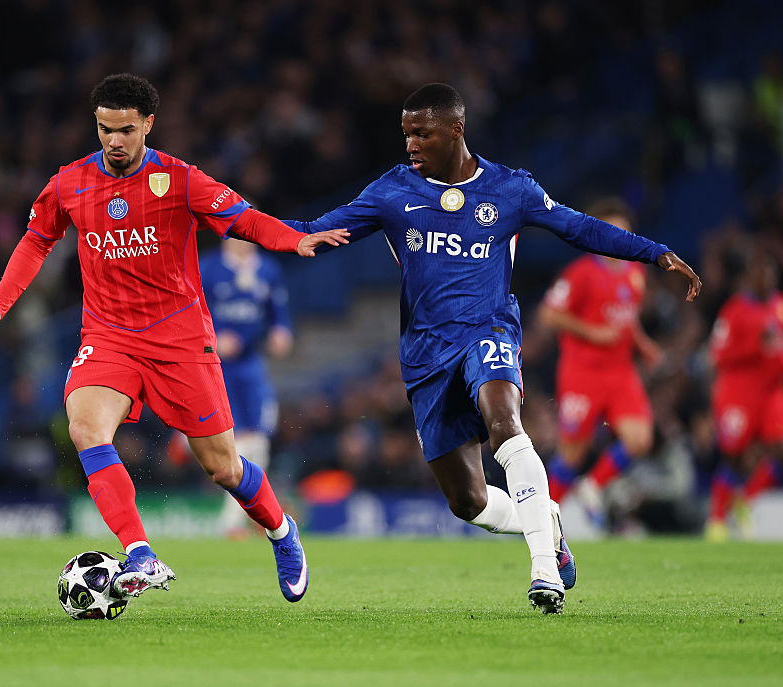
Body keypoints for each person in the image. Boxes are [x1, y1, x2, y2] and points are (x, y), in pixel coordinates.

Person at [285, 83, 701, 614]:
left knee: (506, 423)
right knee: (468, 501)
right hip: (425, 354)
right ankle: (546, 519)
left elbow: (578, 227)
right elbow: (316, 232)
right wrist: (244, 225)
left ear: (456, 129)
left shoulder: (510, 189)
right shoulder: (392, 192)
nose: (411, 143)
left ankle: (544, 571)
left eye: (423, 133)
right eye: (406, 133)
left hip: (489, 330)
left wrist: (656, 253)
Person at [0, 73, 349, 603]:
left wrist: (296, 239)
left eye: (124, 129)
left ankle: (282, 532)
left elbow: (243, 220)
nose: (113, 141)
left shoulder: (181, 180)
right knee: (85, 428)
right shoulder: (69, 184)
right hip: (109, 337)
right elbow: (35, 241)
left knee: (223, 467)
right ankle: (140, 553)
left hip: (181, 341)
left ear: (148, 123)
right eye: (103, 129)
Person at [537, 198, 663, 530]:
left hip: (621, 372)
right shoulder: (580, 274)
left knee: (640, 439)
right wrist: (591, 331)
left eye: (626, 233)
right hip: (583, 373)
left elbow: (627, 318)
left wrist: (643, 344)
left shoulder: (634, 272)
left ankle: (592, 485)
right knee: (571, 454)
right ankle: (540, 521)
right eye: (613, 232)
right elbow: (549, 313)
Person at [198, 237, 293, 537]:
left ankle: (238, 519)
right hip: (216, 365)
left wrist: (282, 331)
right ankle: (239, 519)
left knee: (259, 436)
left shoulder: (268, 269)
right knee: (233, 437)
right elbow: (191, 309)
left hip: (252, 364)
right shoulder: (208, 268)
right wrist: (212, 339)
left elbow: (279, 311)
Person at [705, 252, 783, 541]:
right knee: (734, 458)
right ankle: (716, 520)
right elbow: (716, 355)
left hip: (772, 394)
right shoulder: (734, 312)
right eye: (760, 275)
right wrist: (756, 346)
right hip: (739, 393)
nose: (766, 280)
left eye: (771, 275)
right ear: (749, 278)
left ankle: (744, 500)